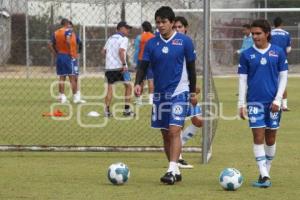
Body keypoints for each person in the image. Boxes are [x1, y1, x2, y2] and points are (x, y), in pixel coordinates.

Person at [134, 6, 197, 185]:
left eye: (164, 22)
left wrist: (192, 91)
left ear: (171, 23)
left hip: (180, 91)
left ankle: (170, 169)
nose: (160, 25)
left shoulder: (184, 41)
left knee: (174, 130)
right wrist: (138, 83)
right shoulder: (152, 43)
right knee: (165, 134)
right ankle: (175, 170)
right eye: (158, 22)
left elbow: (192, 69)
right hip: (160, 94)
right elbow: (143, 65)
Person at [238, 19, 288, 188]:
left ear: (267, 33)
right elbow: (242, 81)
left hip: (273, 103)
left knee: (271, 138)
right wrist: (241, 103)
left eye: (258, 33)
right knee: (258, 137)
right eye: (253, 34)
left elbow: (283, 77)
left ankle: (265, 172)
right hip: (255, 103)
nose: (255, 36)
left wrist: (278, 99)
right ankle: (265, 175)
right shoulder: (246, 55)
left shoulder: (278, 52)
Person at [173, 16, 203, 169]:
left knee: (199, 121)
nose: (177, 29)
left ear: (185, 28)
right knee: (178, 124)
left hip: (188, 89)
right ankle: (177, 157)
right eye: (175, 27)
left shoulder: (189, 45)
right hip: (176, 91)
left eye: (180, 27)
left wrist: (193, 88)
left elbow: (190, 70)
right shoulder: (171, 46)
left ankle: (179, 147)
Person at [48, 18, 85, 104]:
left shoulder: (56, 33)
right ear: (67, 24)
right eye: (69, 24)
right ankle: (76, 97)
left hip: (60, 56)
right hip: (68, 57)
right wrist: (69, 51)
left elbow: (49, 44)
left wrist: (55, 53)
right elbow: (68, 41)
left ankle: (62, 97)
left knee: (61, 77)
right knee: (72, 77)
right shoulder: (68, 31)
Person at [102, 21, 134, 117]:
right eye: (126, 28)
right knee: (128, 86)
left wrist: (111, 58)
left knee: (110, 88)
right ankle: (127, 110)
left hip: (109, 67)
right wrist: (124, 64)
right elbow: (121, 51)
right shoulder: (124, 39)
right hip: (120, 67)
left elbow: (103, 51)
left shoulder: (110, 38)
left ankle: (107, 111)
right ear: (120, 28)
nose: (128, 30)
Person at [270, 17, 291, 111]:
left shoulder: (269, 33)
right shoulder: (286, 34)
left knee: (271, 81)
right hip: (282, 61)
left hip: (270, 60)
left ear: (273, 24)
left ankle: (271, 103)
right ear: (282, 24)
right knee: (283, 81)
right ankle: (284, 105)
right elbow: (288, 49)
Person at [135, 21, 155, 105]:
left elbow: (137, 48)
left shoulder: (140, 37)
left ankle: (139, 100)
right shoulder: (154, 37)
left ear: (143, 28)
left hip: (141, 59)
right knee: (151, 80)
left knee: (140, 80)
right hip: (151, 60)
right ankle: (151, 100)